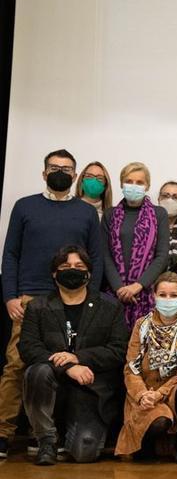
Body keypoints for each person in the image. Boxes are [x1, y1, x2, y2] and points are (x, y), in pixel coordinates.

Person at [1, 149, 103, 459]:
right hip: (30, 299)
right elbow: (11, 254)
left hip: (72, 299)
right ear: (44, 173)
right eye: (54, 167)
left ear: (75, 176)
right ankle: (4, 433)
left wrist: (91, 297)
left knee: (60, 366)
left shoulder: (86, 212)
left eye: (67, 168)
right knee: (18, 366)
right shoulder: (24, 207)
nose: (60, 172)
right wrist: (9, 296)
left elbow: (95, 258)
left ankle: (42, 435)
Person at [18, 246, 127, 465]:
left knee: (84, 454)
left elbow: (118, 350)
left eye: (79, 266)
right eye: (65, 267)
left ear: (89, 272)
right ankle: (46, 441)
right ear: (54, 273)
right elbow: (28, 347)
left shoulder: (110, 306)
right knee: (36, 371)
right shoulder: (37, 307)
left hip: (91, 393)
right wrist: (68, 367)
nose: (72, 270)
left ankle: (69, 435)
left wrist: (79, 357)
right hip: (50, 386)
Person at [115, 272, 177, 463]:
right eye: (162, 294)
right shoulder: (141, 325)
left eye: (173, 295)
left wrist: (161, 393)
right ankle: (144, 445)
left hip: (175, 391)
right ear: (154, 296)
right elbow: (131, 368)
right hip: (144, 392)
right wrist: (142, 394)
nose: (168, 299)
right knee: (158, 422)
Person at [102, 162, 170, 328]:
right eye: (129, 181)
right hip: (113, 293)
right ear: (121, 184)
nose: (134, 186)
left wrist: (138, 286)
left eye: (139, 182)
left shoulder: (159, 214)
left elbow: (162, 256)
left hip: (145, 294)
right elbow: (104, 254)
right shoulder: (110, 214)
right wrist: (120, 288)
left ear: (147, 185)